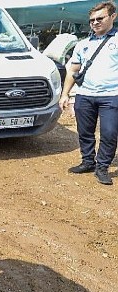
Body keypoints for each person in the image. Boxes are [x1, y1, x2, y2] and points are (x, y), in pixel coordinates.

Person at [59, 1, 118, 185]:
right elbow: (73, 70)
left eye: (100, 18)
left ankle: (102, 167)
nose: (95, 23)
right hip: (85, 94)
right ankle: (87, 161)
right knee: (84, 132)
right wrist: (65, 94)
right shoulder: (82, 44)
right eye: (92, 20)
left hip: (111, 95)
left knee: (109, 133)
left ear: (113, 17)